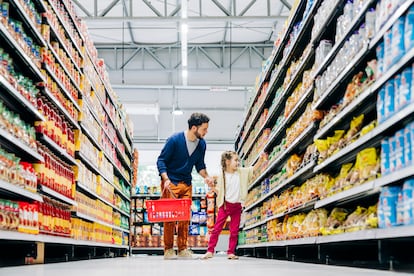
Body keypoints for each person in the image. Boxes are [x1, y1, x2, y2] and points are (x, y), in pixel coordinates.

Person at [157, 112, 215, 260]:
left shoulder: (201, 144)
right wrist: (166, 179)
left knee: (184, 217)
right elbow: (161, 161)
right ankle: (168, 250)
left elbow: (200, 166)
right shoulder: (174, 140)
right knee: (170, 217)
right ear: (194, 128)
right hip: (171, 182)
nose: (206, 132)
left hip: (186, 183)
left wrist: (207, 177)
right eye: (204, 129)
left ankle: (182, 249)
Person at [201, 150, 253, 260]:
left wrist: (261, 159)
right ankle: (210, 250)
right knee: (217, 229)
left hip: (237, 206)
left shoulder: (241, 172)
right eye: (236, 160)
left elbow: (251, 170)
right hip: (224, 206)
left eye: (238, 160)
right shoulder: (222, 176)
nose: (238, 162)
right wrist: (212, 187)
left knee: (234, 231)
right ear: (227, 162)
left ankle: (231, 252)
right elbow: (219, 191)